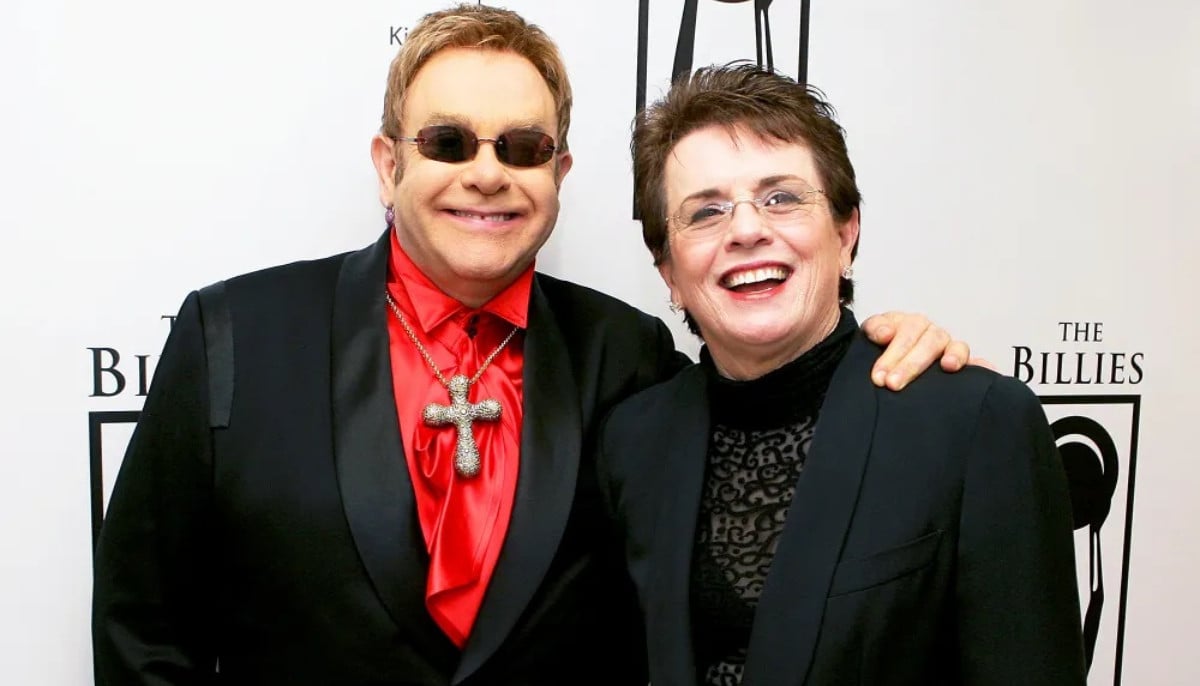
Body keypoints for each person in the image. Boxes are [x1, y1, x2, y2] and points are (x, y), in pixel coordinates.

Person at [92, 5, 973, 685]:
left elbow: (774, 419)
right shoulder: (234, 338)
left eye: (523, 148)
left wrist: (883, 354)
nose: (487, 173)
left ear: (559, 174)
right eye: (447, 143)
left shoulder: (628, 357)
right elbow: (143, 640)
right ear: (389, 165)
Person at [598, 64, 1087, 686]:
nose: (746, 229)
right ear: (669, 271)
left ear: (846, 232)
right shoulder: (632, 443)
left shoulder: (975, 424)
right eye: (706, 212)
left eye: (781, 197)